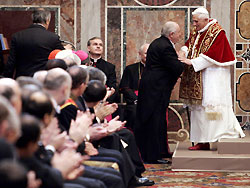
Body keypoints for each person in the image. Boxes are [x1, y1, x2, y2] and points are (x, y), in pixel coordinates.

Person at [178, 7, 245, 150]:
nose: (194, 24)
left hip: (212, 77)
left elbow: (216, 53)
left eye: (196, 21)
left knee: (211, 107)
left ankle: (222, 136)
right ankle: (203, 141)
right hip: (199, 75)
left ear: (206, 20)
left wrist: (194, 62)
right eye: (193, 21)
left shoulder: (217, 32)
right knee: (199, 108)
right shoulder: (198, 30)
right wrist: (183, 52)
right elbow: (189, 43)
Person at [135, 21, 184, 163]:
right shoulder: (165, 47)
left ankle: (161, 151)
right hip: (155, 90)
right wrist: (182, 56)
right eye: (179, 32)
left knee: (159, 120)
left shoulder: (159, 43)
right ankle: (152, 156)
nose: (180, 35)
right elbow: (177, 67)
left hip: (155, 88)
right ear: (171, 34)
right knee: (154, 120)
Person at [3, 8, 64, 78]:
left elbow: (11, 62)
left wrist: (6, 79)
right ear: (47, 21)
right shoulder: (53, 38)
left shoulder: (17, 36)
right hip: (43, 80)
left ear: (33, 19)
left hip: (22, 79)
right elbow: (61, 58)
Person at [119, 43, 149, 130]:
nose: (149, 56)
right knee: (133, 112)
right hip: (135, 101)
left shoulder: (157, 69)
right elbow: (124, 87)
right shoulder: (130, 69)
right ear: (140, 54)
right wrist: (136, 98)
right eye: (146, 53)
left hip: (152, 100)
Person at [87, 37, 118, 103]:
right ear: (88, 48)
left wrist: (105, 100)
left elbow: (112, 86)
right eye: (95, 44)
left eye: (100, 45)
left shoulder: (110, 67)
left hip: (104, 100)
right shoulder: (82, 64)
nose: (98, 46)